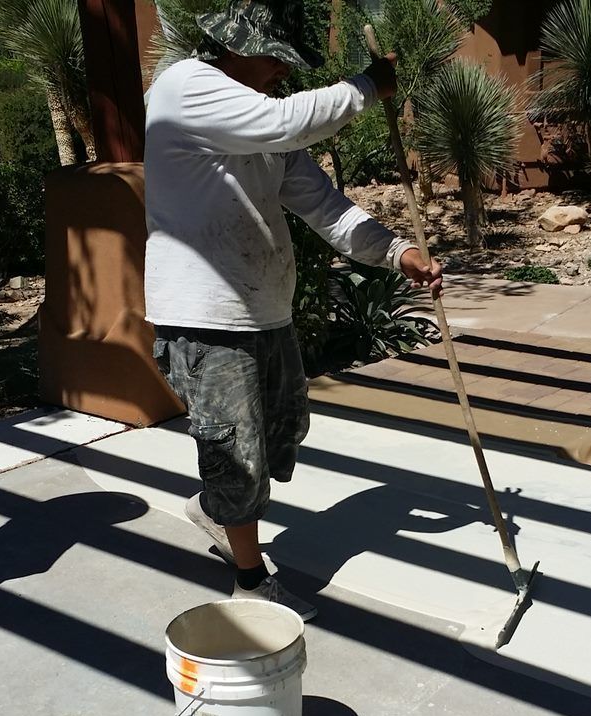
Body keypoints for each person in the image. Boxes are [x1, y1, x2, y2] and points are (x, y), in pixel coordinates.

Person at [145, 0, 442, 621]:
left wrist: (396, 250)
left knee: (281, 436)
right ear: (237, 47)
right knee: (237, 448)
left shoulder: (259, 125)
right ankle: (251, 581)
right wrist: (366, 88)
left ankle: (216, 509)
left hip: (264, 307)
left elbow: (324, 207)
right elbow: (288, 121)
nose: (284, 71)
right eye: (276, 58)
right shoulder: (186, 87)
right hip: (206, 313)